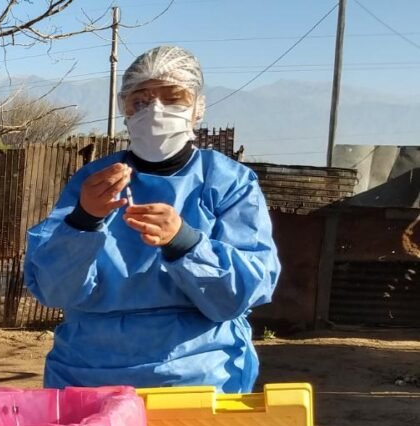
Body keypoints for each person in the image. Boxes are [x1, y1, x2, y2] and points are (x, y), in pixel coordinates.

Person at [24, 45, 281, 393]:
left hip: (195, 380)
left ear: (198, 107)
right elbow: (54, 289)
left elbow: (239, 295)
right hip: (89, 377)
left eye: (173, 98)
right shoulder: (95, 182)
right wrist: (84, 221)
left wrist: (185, 242)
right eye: (140, 100)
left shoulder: (226, 182)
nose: (155, 111)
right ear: (124, 108)